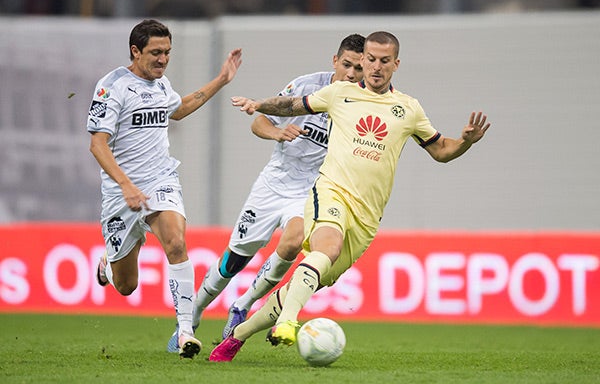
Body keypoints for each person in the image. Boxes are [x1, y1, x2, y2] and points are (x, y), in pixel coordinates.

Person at [209, 31, 490, 362]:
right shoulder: (338, 93)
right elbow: (291, 105)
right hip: (330, 193)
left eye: (384, 61)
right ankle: (288, 322)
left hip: (367, 218)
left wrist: (466, 141)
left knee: (309, 279)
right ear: (362, 60)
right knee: (327, 247)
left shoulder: (408, 109)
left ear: (396, 64)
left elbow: (441, 151)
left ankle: (236, 338)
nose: (375, 67)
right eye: (370, 59)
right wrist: (259, 104)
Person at [166, 33, 365, 353]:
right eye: (347, 65)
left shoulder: (362, 106)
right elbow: (259, 122)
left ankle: (242, 306)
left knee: (293, 241)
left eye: (358, 68)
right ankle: (193, 315)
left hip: (312, 189)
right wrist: (278, 133)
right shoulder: (306, 86)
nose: (352, 74)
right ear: (334, 61)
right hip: (274, 184)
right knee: (234, 260)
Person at [88, 19, 242, 359]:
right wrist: (126, 186)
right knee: (126, 286)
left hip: (161, 180)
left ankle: (186, 330)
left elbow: (179, 109)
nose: (163, 59)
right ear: (135, 51)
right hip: (121, 193)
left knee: (176, 241)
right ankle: (107, 264)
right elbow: (98, 144)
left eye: (168, 53)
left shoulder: (161, 84)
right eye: (156, 53)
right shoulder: (112, 86)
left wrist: (222, 80)